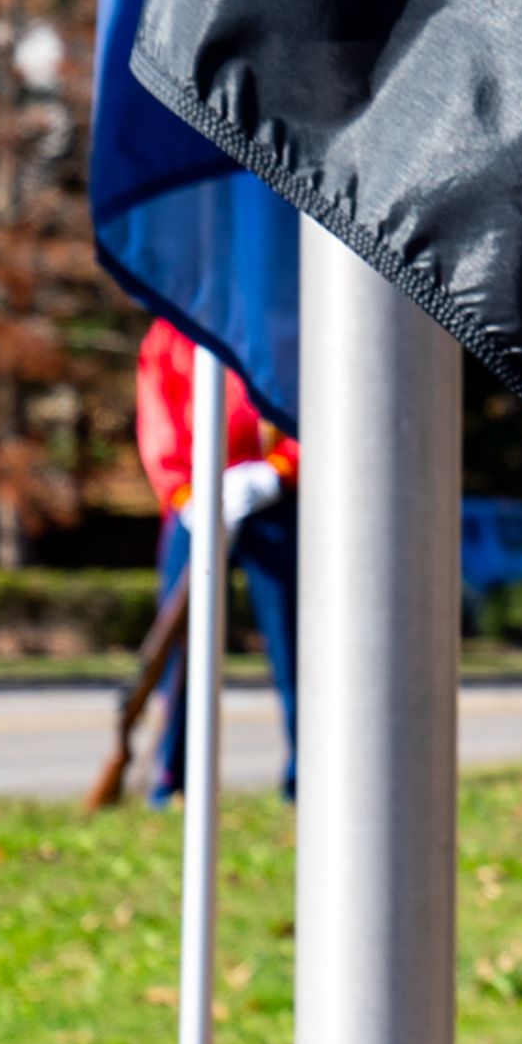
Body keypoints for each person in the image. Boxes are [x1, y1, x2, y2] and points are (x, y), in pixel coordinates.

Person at [135, 319, 300, 803]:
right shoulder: (172, 328)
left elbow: (320, 400)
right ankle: (173, 777)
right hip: (195, 504)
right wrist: (184, 492)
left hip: (275, 500)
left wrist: (280, 469)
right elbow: (158, 416)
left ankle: (305, 777)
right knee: (179, 649)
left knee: (296, 644)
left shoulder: (284, 313)